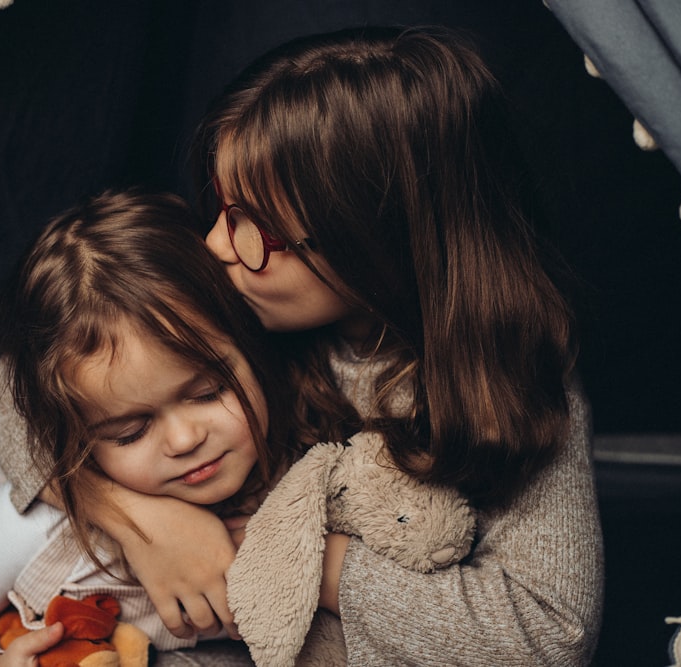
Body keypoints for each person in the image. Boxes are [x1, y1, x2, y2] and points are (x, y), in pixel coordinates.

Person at [81, 26, 604, 665]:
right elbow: (18, 393)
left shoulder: (516, 380)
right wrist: (136, 518)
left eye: (255, 227)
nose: (216, 245)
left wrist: (319, 564)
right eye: (221, 206)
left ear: (374, 242)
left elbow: (550, 637)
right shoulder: (238, 293)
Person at [0, 189, 317, 666]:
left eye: (207, 393)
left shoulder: (306, 457)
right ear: (76, 435)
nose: (185, 440)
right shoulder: (42, 525)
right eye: (129, 433)